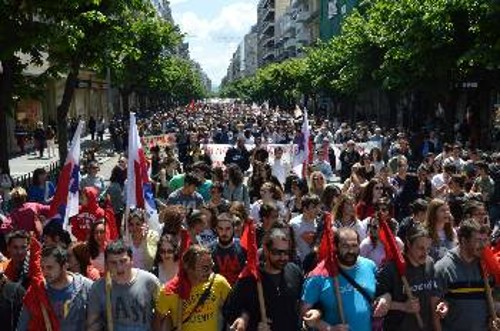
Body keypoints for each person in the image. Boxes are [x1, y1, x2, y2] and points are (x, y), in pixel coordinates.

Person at [226, 226, 303, 331]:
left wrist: (316, 312)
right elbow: (231, 309)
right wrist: (246, 321)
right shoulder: (250, 278)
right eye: (277, 252)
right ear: (266, 250)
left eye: (286, 252)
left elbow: (303, 303)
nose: (283, 257)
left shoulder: (294, 272)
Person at [301, 227, 377, 331]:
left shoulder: (370, 266)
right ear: (335, 247)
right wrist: (329, 328)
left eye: (354, 245)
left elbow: (380, 293)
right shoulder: (319, 275)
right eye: (345, 246)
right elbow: (305, 313)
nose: (351, 251)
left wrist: (385, 298)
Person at [374, 225, 447, 331]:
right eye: (421, 248)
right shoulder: (392, 268)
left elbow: (433, 293)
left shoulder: (430, 263)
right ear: (408, 244)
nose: (425, 253)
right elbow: (376, 303)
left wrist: (440, 305)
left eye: (428, 249)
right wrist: (403, 306)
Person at [435, 220, 500, 331]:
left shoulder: (485, 265)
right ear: (464, 241)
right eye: (478, 240)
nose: (483, 245)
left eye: (485, 240)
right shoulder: (443, 268)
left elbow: (493, 300)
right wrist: (442, 305)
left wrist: (492, 319)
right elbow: (434, 307)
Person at [154, 244, 231, 331]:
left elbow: (235, 307)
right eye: (205, 268)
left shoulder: (219, 283)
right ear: (189, 268)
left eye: (211, 266)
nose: (210, 272)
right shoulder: (170, 291)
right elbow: (157, 320)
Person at [87, 240, 161, 331]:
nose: (119, 268)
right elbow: (93, 323)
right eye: (113, 263)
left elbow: (160, 316)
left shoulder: (150, 282)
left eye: (123, 261)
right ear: (106, 264)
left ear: (131, 261)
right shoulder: (98, 288)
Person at [17, 246, 93, 331]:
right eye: (42, 268)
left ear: (64, 266)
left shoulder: (86, 287)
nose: (45, 272)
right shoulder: (36, 292)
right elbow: (22, 326)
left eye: (50, 267)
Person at [211, 213, 246, 285]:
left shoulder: (243, 247)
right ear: (216, 229)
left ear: (233, 228)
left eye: (228, 228)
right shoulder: (210, 250)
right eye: (220, 228)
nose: (224, 232)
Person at [290, 194, 322, 263]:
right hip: (300, 264)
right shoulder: (294, 224)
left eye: (318, 207)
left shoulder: (320, 223)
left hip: (317, 264)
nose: (317, 210)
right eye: (314, 207)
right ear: (305, 208)